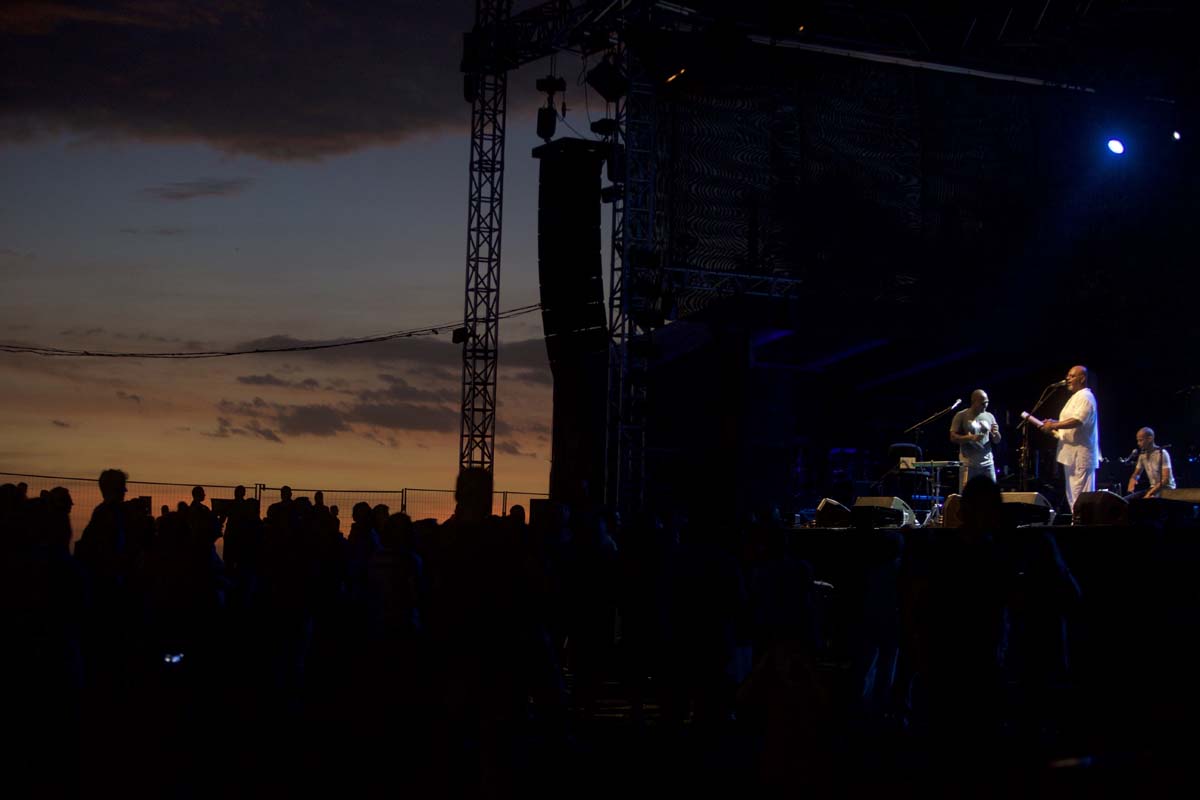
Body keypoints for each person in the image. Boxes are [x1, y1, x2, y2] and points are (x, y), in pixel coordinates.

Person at [1040, 365, 1101, 513]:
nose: (1067, 378)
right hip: (1071, 456)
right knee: (1074, 497)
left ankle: (1083, 526)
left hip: (1080, 456)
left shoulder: (1086, 397)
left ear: (1082, 378)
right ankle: (1078, 522)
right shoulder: (1076, 397)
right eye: (1068, 375)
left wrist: (1054, 424)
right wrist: (1053, 428)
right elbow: (1072, 429)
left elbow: (1078, 420)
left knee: (1081, 497)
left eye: (1072, 376)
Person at [949, 389, 1001, 491]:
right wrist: (971, 438)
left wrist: (996, 433)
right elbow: (953, 437)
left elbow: (997, 440)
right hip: (968, 463)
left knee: (991, 495)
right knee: (966, 497)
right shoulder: (961, 415)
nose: (985, 405)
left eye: (987, 402)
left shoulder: (989, 416)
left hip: (987, 463)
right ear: (974, 402)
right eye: (982, 403)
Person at [1125, 427, 1175, 500]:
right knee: (1126, 500)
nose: (1138, 443)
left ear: (1150, 439)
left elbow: (1166, 479)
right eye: (1137, 440)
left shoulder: (1162, 453)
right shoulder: (1142, 455)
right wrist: (1133, 481)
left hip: (1166, 489)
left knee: (1146, 502)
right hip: (1153, 488)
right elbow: (1136, 474)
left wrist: (1150, 493)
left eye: (1141, 440)